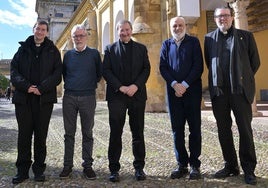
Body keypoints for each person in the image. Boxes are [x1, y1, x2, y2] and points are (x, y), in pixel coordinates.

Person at [204, 7, 260, 185]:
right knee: (223, 130)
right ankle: (231, 165)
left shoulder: (246, 36)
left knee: (245, 129)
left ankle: (249, 169)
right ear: (215, 19)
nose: (223, 19)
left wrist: (242, 78)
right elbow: (209, 61)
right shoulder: (209, 38)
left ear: (232, 17)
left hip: (240, 91)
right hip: (219, 91)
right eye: (219, 16)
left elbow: (254, 63)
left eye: (226, 16)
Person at [10, 20, 62, 184]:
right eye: (37, 29)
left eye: (43, 30)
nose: (40, 32)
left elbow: (57, 74)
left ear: (46, 32)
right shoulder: (22, 49)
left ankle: (39, 170)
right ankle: (22, 171)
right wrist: (28, 87)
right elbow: (14, 72)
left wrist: (42, 87)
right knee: (24, 136)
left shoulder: (53, 51)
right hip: (24, 100)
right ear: (33, 30)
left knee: (41, 136)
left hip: (43, 100)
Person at [103, 20, 150, 182]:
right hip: (117, 96)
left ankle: (139, 168)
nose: (125, 32)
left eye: (127, 30)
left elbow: (146, 69)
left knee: (138, 133)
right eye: (121, 30)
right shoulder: (109, 49)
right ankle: (114, 169)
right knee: (115, 133)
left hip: (137, 95)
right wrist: (121, 87)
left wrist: (135, 86)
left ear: (131, 30)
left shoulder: (141, 48)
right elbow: (106, 71)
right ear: (117, 31)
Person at [159, 16, 203, 180]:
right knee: (177, 130)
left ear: (185, 26)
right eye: (174, 26)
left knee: (194, 129)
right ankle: (182, 164)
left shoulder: (193, 42)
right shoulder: (166, 44)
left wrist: (184, 84)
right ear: (171, 28)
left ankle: (194, 165)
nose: (177, 28)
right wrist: (174, 84)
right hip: (173, 94)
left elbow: (198, 66)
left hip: (192, 92)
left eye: (180, 25)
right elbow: (163, 67)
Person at [59, 24, 102, 180]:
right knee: (69, 134)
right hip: (69, 97)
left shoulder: (94, 54)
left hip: (88, 97)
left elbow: (99, 74)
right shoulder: (68, 55)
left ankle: (87, 166)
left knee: (87, 133)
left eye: (81, 35)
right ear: (72, 38)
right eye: (75, 36)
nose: (78, 38)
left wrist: (87, 85)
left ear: (86, 36)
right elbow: (65, 74)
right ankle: (67, 166)